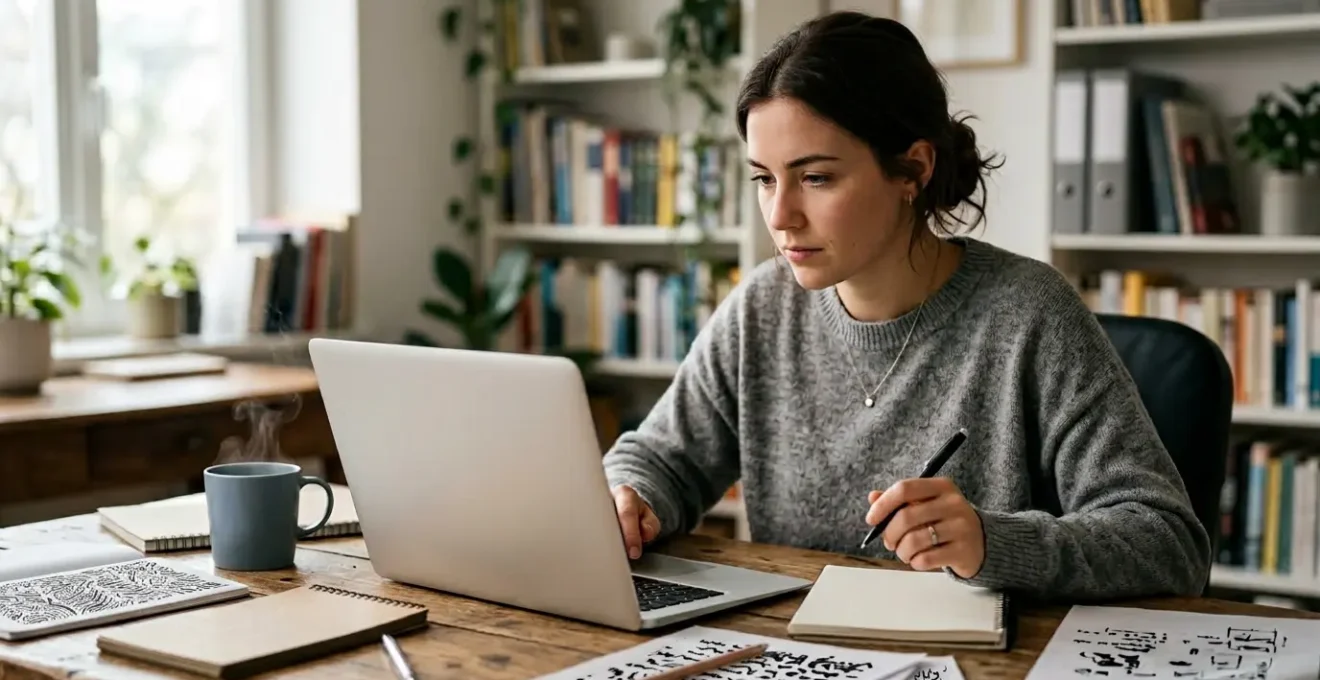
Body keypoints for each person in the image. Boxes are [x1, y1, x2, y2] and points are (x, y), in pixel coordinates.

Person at [600, 10, 1211, 601]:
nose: (780, 216)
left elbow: (1168, 543)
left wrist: (992, 543)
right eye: (764, 178)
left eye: (815, 178)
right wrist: (632, 495)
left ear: (912, 169)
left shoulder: (1029, 314)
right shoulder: (763, 306)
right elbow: (659, 458)